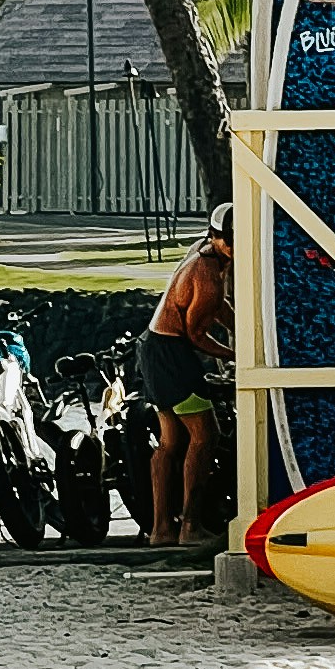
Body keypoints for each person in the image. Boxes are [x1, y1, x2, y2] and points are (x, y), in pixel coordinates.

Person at [134, 207, 236, 546]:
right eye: (230, 241)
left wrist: (240, 327)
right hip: (172, 354)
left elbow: (218, 307)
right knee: (206, 436)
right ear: (215, 237)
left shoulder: (203, 254)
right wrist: (234, 354)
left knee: (171, 442)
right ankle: (190, 527)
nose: (235, 248)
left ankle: (160, 530)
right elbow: (196, 334)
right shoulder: (205, 277)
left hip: (151, 347)